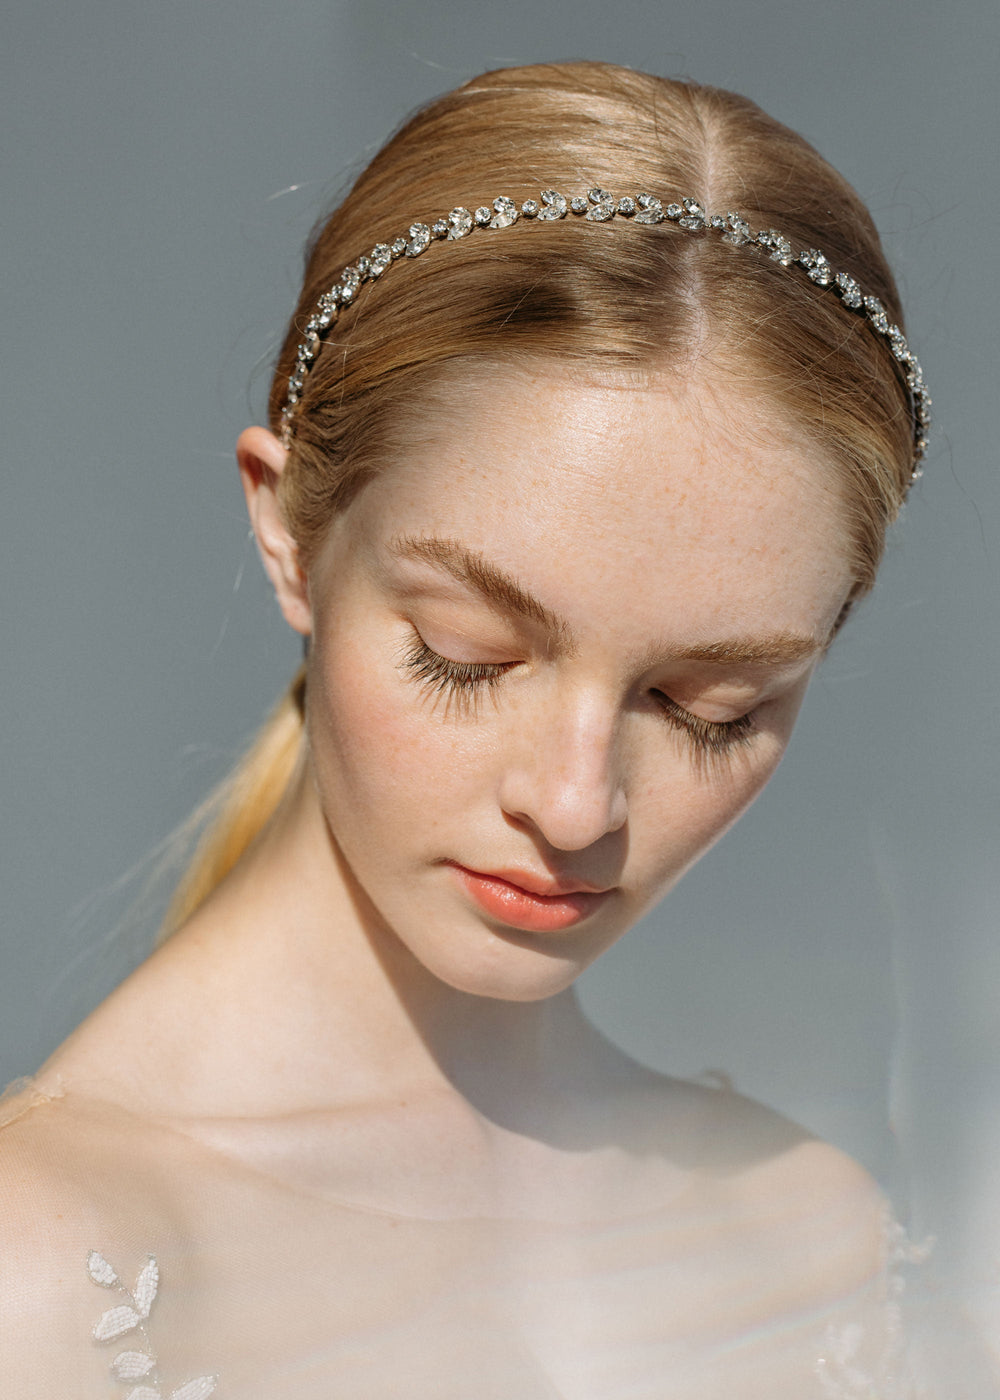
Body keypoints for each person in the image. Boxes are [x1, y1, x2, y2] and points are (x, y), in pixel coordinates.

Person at [0, 61, 931, 1398]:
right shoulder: (48, 1272)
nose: (576, 805)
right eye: (467, 655)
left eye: (710, 708)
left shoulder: (805, 1231)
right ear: (289, 532)